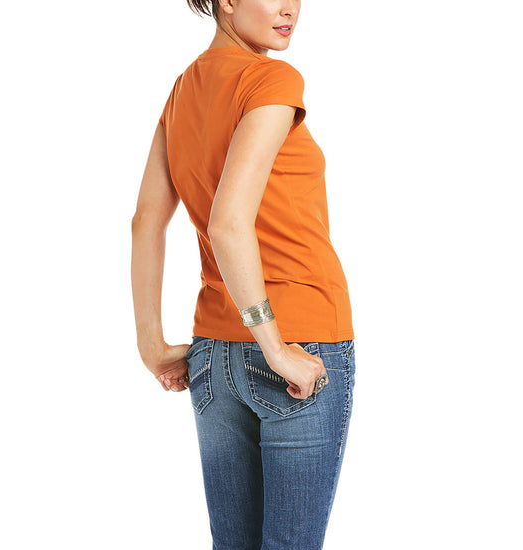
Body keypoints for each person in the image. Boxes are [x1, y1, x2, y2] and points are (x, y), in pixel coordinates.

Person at [131, 0, 356, 548]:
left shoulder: (183, 90)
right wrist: (275, 348)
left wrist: (151, 344)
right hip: (297, 341)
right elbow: (228, 223)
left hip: (213, 355)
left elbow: (145, 223)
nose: (290, 9)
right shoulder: (270, 79)